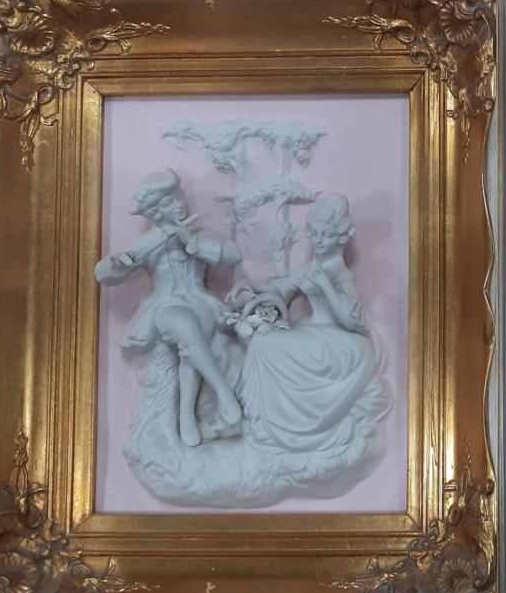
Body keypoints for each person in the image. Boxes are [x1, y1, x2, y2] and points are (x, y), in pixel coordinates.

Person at [95, 168, 244, 448]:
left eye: (178, 197)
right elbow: (106, 274)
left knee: (191, 339)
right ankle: (224, 393)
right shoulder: (149, 243)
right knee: (182, 324)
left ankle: (186, 416)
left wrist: (194, 243)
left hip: (200, 302)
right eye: (168, 202)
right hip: (165, 305)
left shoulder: (196, 233)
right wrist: (120, 263)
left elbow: (234, 255)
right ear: (153, 212)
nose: (177, 205)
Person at [234, 195, 389, 453]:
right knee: (262, 340)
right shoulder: (311, 267)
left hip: (337, 340)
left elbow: (351, 321)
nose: (318, 240)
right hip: (311, 330)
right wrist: (248, 285)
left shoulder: (340, 274)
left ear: (341, 238)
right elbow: (282, 288)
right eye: (314, 233)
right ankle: (262, 421)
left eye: (326, 235)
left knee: (265, 345)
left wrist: (326, 286)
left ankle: (278, 425)